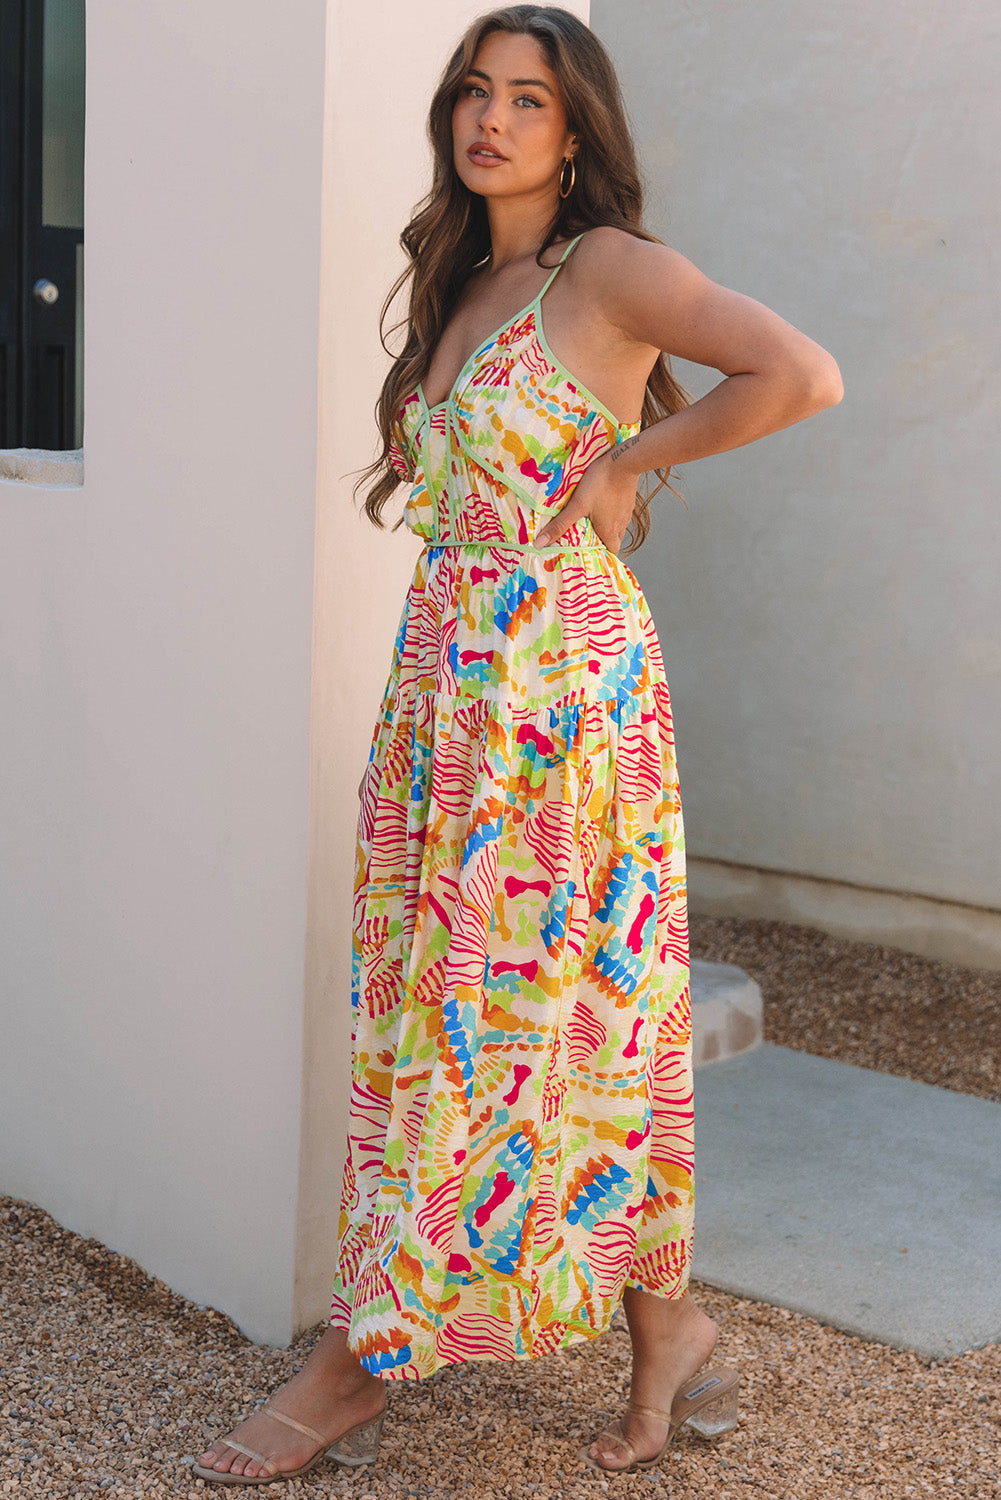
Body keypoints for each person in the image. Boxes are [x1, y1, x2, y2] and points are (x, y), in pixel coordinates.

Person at [192, 3, 842, 1485]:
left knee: (523, 1011)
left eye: (529, 99)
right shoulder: (467, 277)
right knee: (517, 1012)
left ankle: (360, 1358)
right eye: (474, 92)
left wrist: (629, 460)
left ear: (575, 126)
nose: (491, 119)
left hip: (560, 693)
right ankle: (664, 1324)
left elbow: (800, 374)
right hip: (450, 681)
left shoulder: (603, 269)